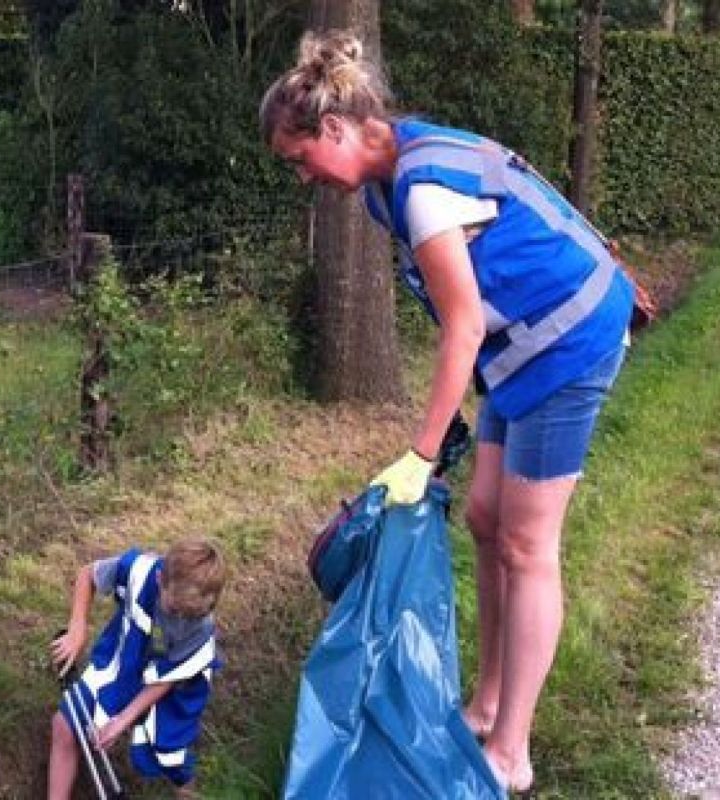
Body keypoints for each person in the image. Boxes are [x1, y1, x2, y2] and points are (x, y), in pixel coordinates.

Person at [260, 30, 634, 794]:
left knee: (528, 545)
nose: (305, 177)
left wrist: (422, 453)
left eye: (300, 159)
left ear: (334, 128)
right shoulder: (385, 177)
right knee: (485, 520)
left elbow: (462, 325)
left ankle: (512, 754)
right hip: (519, 350)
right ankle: (488, 703)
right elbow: (470, 316)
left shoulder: (422, 192)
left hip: (569, 340)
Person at [47, 537, 226, 799]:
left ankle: (185, 790)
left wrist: (122, 721)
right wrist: (77, 628)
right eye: (175, 609)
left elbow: (166, 679)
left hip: (176, 682)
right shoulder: (139, 571)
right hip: (124, 661)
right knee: (64, 725)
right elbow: (89, 574)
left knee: (170, 752)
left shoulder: (199, 626)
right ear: (159, 579)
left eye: (191, 614)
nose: (180, 618)